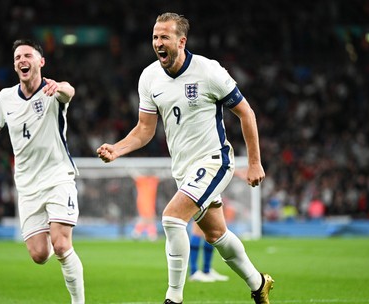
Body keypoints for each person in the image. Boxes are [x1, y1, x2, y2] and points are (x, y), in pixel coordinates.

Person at [97, 13, 273, 304]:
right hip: (184, 169)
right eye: (155, 37)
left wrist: (254, 161)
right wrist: (118, 148)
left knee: (171, 218)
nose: (158, 43)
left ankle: (173, 298)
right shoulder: (149, 77)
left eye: (164, 37)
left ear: (181, 41)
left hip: (215, 160)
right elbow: (144, 130)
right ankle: (259, 284)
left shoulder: (208, 71)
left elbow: (246, 112)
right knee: (217, 234)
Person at [0, 39, 85, 304]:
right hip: (27, 186)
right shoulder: (6, 98)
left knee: (62, 245)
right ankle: (53, 236)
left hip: (58, 177)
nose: (21, 60)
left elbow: (69, 92)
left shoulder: (52, 92)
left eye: (27, 55)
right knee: (39, 255)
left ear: (41, 61)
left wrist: (60, 86)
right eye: (17, 57)